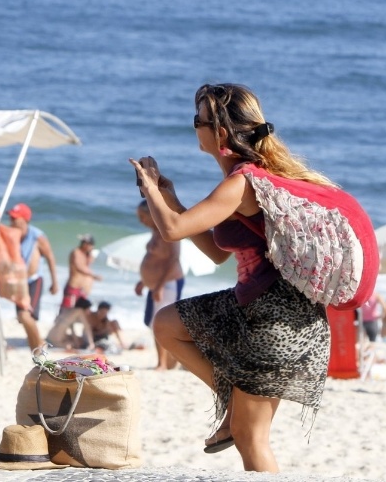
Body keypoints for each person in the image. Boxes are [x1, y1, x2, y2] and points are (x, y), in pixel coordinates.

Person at [131, 83, 332, 473]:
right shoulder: (249, 179)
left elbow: (171, 230)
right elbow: (216, 251)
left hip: (275, 319)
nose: (195, 128)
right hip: (272, 311)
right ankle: (230, 396)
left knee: (251, 439)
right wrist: (171, 201)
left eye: (197, 121)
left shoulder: (242, 183)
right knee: (167, 324)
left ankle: (231, 402)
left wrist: (151, 189)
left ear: (220, 133)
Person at [134, 199, 185, 370]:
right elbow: (156, 259)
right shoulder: (156, 231)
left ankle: (163, 363)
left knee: (161, 322)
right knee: (153, 322)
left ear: (151, 214)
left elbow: (173, 260)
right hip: (156, 285)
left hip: (168, 283)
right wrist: (144, 281)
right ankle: (165, 361)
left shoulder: (167, 231)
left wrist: (160, 286)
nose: (141, 221)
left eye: (142, 216)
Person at [7, 203, 59, 352]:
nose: (11, 221)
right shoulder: (12, 235)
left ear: (24, 219)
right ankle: (34, 348)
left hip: (34, 281)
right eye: (10, 218)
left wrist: (54, 282)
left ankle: (40, 346)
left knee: (25, 315)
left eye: (14, 218)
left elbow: (50, 257)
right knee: (22, 318)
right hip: (19, 282)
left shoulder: (37, 236)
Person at [59, 234, 101, 314]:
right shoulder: (76, 252)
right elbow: (79, 267)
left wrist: (91, 255)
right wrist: (93, 276)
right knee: (66, 312)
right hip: (73, 287)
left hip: (82, 289)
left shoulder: (86, 254)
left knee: (79, 312)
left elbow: (87, 265)